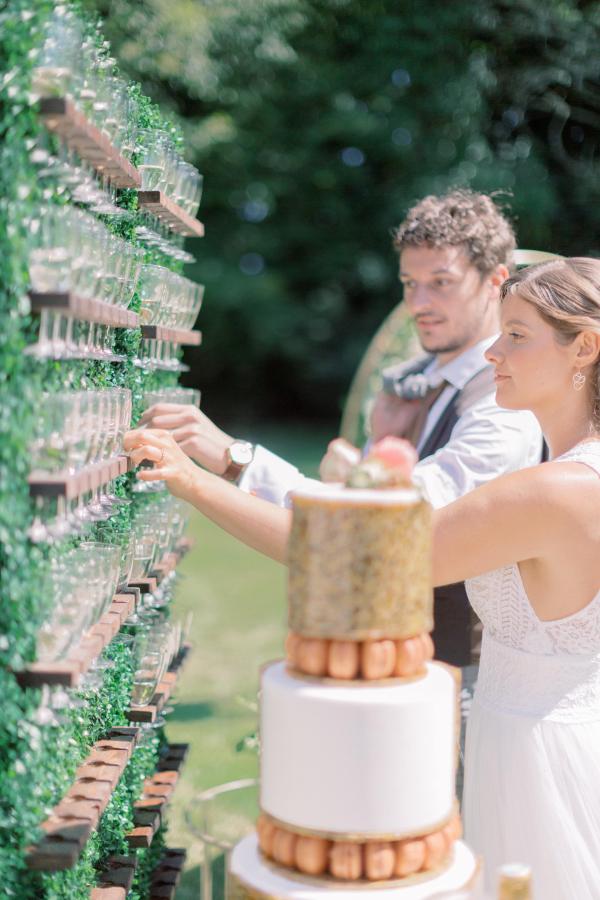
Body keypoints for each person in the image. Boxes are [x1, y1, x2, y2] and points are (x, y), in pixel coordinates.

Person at [126, 256, 600, 898]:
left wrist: (191, 482)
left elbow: (354, 558)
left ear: (586, 348)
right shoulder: (575, 476)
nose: (493, 352)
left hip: (537, 764)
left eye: (516, 335)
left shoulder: (551, 492)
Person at [139, 190, 542, 668]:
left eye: (441, 282)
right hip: (381, 652)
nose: (420, 303)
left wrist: (233, 458)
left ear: (496, 282)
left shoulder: (503, 407)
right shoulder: (415, 382)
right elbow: (344, 508)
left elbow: (369, 528)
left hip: (462, 675)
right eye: (409, 283)